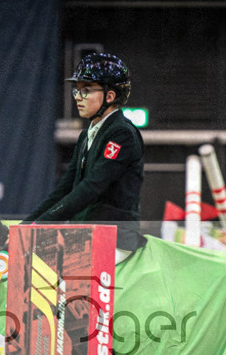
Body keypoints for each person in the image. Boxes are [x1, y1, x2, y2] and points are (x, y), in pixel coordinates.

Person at [23, 52, 146, 252]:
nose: (78, 98)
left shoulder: (122, 134)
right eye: (77, 91)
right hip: (86, 235)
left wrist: (41, 225)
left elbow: (90, 188)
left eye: (86, 90)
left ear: (110, 96)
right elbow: (64, 189)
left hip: (115, 240)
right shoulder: (86, 135)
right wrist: (27, 225)